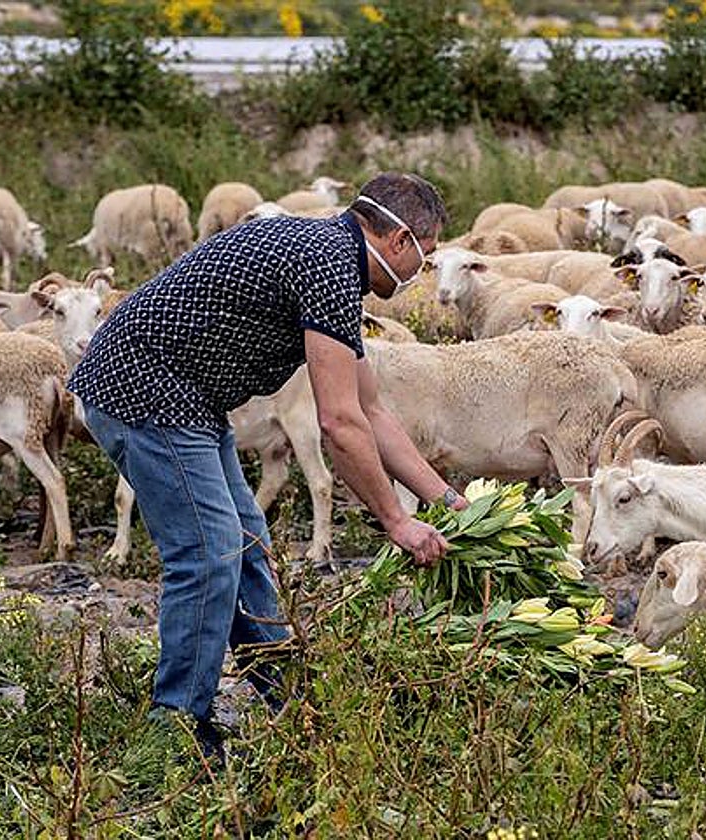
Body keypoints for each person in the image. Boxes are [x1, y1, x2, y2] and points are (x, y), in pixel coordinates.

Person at [69, 172, 465, 750]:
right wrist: (397, 522)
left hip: (190, 398)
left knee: (247, 542)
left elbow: (370, 410)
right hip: (143, 389)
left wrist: (447, 501)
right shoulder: (329, 264)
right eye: (424, 257)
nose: (419, 273)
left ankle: (293, 701)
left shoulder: (331, 260)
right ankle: (177, 728)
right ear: (399, 240)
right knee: (208, 554)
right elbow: (338, 422)